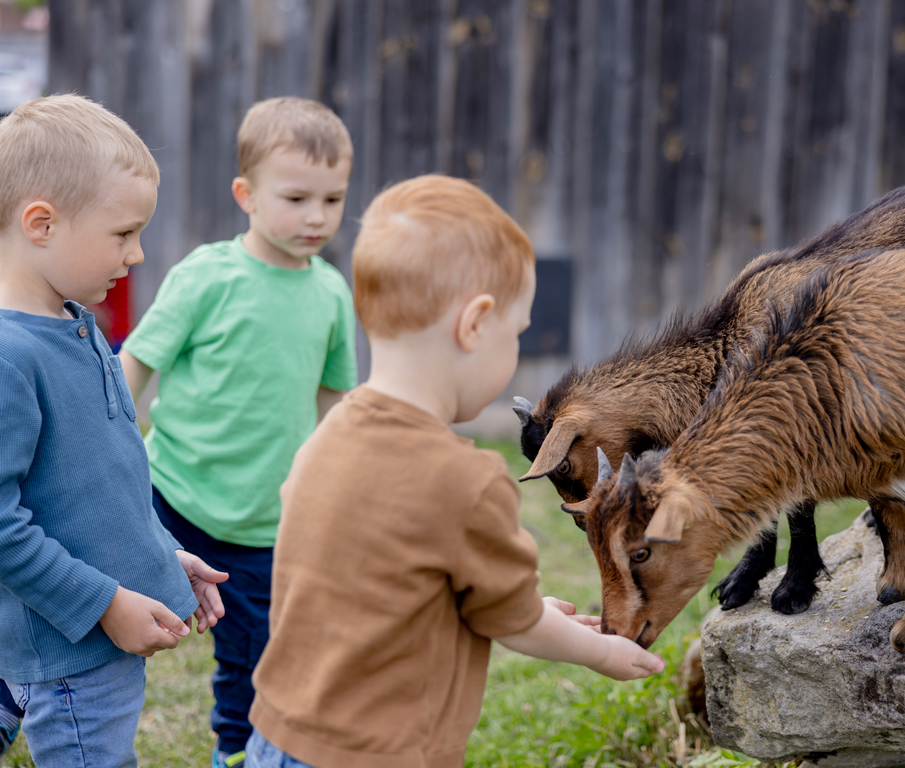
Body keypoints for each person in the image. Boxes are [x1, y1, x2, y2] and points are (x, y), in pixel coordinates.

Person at [245, 175, 666, 768]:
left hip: (278, 737)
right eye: (516, 334)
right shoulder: (468, 483)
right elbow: (518, 626)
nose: (516, 352)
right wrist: (599, 654)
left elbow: (386, 583)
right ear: (474, 325)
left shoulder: (326, 437)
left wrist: (527, 608)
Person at [118, 96, 358, 768]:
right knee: (102, 616)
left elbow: (338, 399)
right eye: (297, 197)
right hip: (166, 496)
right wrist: (106, 445)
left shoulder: (333, 293)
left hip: (261, 528)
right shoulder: (208, 275)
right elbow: (135, 362)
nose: (317, 217)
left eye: (333, 199)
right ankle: (18, 691)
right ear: (246, 195)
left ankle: (236, 752)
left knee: (254, 655)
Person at [0, 94, 226, 767]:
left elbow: (97, 486)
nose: (138, 253)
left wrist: (156, 556)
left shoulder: (75, 322)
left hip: (85, 628)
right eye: (123, 233)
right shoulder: (12, 356)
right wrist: (104, 604)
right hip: (71, 649)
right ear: (41, 223)